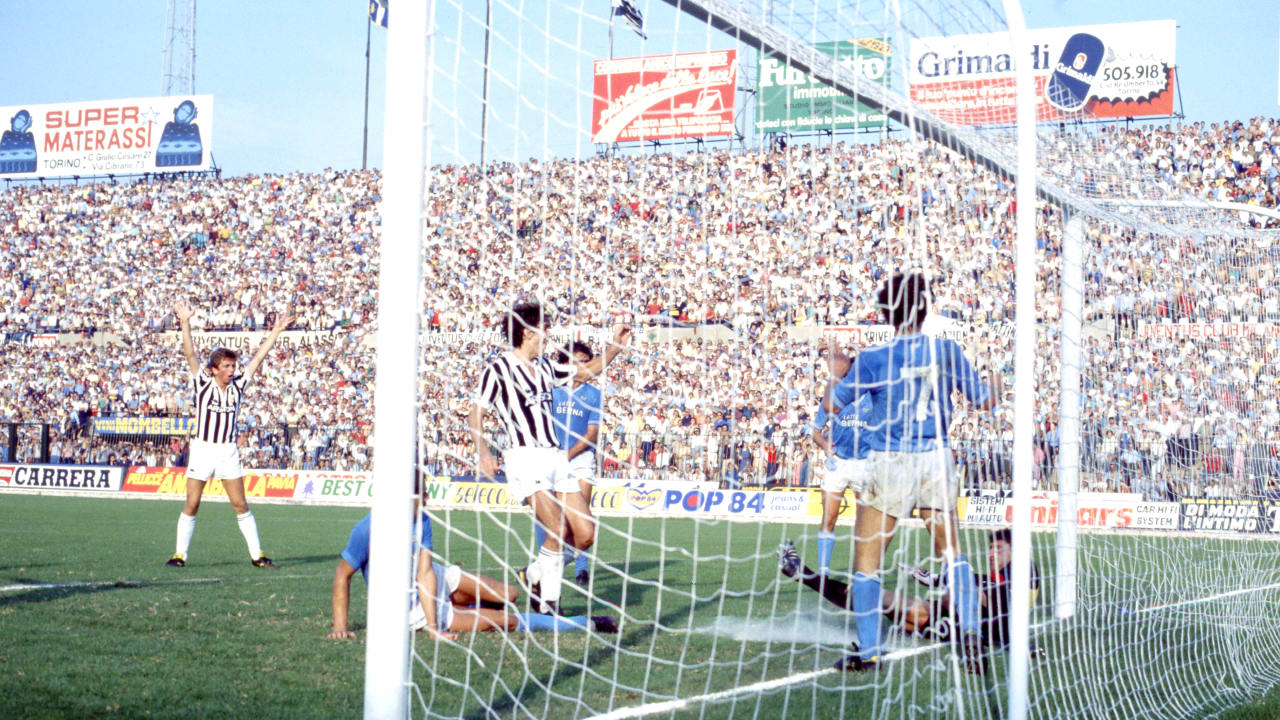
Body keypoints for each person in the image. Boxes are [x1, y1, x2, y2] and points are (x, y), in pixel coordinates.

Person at [821, 272, 1003, 673]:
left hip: (891, 461)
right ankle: (970, 632)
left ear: (886, 313)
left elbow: (833, 407)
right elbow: (985, 402)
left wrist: (835, 370)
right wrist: (997, 384)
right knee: (953, 556)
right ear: (925, 309)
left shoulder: (871, 358)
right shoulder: (948, 351)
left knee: (867, 565)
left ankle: (869, 652)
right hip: (936, 459)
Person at [469, 302, 630, 615]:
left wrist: (614, 347)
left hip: (557, 458)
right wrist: (483, 451)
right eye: (545, 329)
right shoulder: (498, 370)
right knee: (556, 530)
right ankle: (549, 606)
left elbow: (587, 371)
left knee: (584, 534)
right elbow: (476, 412)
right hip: (524, 458)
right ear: (528, 333)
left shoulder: (544, 366)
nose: (549, 334)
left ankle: (535, 574)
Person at [327, 506, 619, 639]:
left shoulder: (421, 518)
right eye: (423, 491)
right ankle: (586, 623)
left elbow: (426, 572)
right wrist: (340, 627)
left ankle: (465, 605)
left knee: (511, 594)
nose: (427, 496)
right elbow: (342, 575)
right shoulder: (369, 527)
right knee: (506, 621)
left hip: (436, 579)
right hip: (414, 609)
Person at [166, 300, 293, 569]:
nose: (232, 370)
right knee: (193, 503)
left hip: (226, 450)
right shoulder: (202, 382)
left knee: (240, 504)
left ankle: (257, 556)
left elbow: (259, 358)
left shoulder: (238, 386)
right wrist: (185, 322)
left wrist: (277, 331)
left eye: (233, 366)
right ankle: (179, 555)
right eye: (226, 366)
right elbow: (190, 355)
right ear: (214, 369)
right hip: (202, 448)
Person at [777, 528, 1039, 653]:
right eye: (991, 548)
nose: (991, 553)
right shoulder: (993, 580)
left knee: (880, 598)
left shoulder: (1021, 576)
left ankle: (803, 574)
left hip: (951, 622)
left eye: (999, 549)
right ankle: (802, 573)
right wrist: (936, 579)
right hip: (941, 616)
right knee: (874, 596)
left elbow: (994, 602)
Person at [530, 341, 603, 589]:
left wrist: (568, 455)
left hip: (580, 460)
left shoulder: (594, 394)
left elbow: (592, 434)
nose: (579, 365)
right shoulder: (552, 389)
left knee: (583, 520)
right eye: (574, 360)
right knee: (549, 517)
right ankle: (545, 567)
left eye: (584, 361)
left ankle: (581, 569)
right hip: (551, 459)